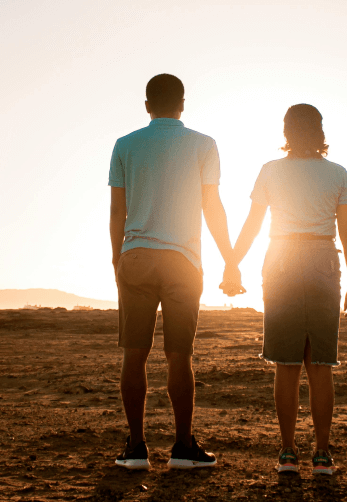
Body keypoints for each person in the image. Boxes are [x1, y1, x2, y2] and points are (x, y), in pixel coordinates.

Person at [108, 74, 243, 471]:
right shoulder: (203, 145)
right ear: (182, 104)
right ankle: (183, 447)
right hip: (184, 261)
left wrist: (117, 259)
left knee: (134, 356)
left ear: (147, 105)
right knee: (178, 357)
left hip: (136, 256)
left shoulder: (125, 145)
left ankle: (136, 448)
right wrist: (230, 260)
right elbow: (212, 207)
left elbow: (118, 211)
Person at [230, 103, 347, 476]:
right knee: (320, 364)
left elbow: (253, 224)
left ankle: (288, 453)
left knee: (286, 365)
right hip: (323, 256)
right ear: (320, 132)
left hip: (282, 257)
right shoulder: (338, 173)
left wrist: (232, 261)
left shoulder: (270, 171)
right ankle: (322, 455)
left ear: (286, 132)